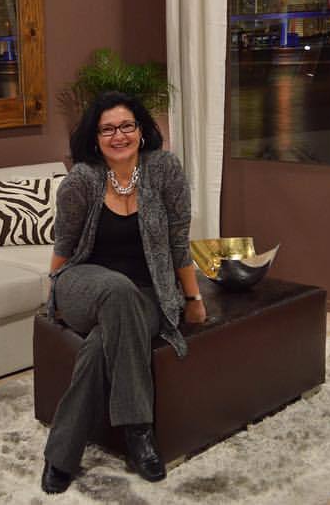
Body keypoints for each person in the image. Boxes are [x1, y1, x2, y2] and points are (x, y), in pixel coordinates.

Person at [41, 91, 206, 494]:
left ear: (141, 130)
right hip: (84, 283)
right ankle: (139, 431)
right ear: (95, 138)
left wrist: (192, 298)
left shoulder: (164, 169)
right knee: (116, 288)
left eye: (126, 126)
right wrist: (55, 296)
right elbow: (64, 247)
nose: (119, 136)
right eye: (108, 129)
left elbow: (178, 242)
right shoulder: (82, 180)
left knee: (103, 341)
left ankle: (61, 455)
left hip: (147, 293)